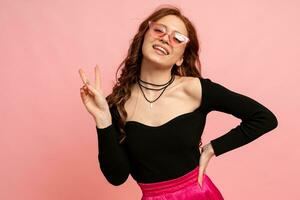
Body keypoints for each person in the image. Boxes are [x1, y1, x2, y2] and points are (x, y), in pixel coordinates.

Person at [78, 5, 278, 200]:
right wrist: (103, 120)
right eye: (159, 30)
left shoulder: (195, 89)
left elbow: (264, 118)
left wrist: (212, 148)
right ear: (143, 38)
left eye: (178, 38)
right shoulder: (117, 104)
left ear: (181, 58)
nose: (166, 38)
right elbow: (116, 177)